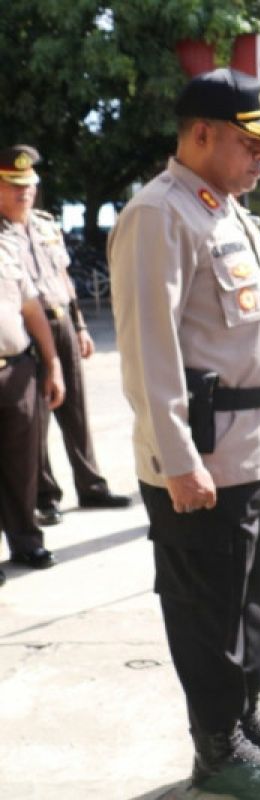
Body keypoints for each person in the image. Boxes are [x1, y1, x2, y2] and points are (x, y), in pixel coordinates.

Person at [109, 68, 260, 799]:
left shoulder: (225, 207)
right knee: (207, 609)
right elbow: (150, 350)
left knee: (254, 600)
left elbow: (232, 313)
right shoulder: (159, 214)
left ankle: (246, 717)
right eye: (251, 144)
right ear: (202, 134)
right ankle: (217, 748)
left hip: (256, 446)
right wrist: (176, 460)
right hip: (204, 458)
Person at [0, 145, 130, 526]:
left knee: (76, 409)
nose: (23, 192)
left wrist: (81, 325)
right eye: (13, 185)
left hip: (60, 321)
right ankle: (44, 494)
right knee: (34, 416)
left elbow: (63, 278)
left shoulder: (43, 224)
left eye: (28, 185)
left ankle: (91, 485)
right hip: (24, 332)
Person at [0, 234, 65, 574]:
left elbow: (30, 307)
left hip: (16, 370)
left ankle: (27, 543)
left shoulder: (6, 250)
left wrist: (52, 363)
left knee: (24, 465)